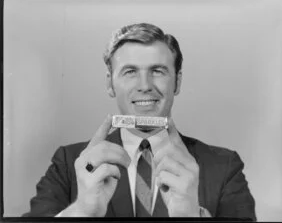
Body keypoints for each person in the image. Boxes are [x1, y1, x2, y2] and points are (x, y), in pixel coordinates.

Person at [23, 23, 256, 219]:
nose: (145, 86)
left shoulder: (225, 167)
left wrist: (192, 216)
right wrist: (81, 211)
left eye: (158, 71)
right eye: (130, 72)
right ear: (110, 84)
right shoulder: (68, 163)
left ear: (177, 82)